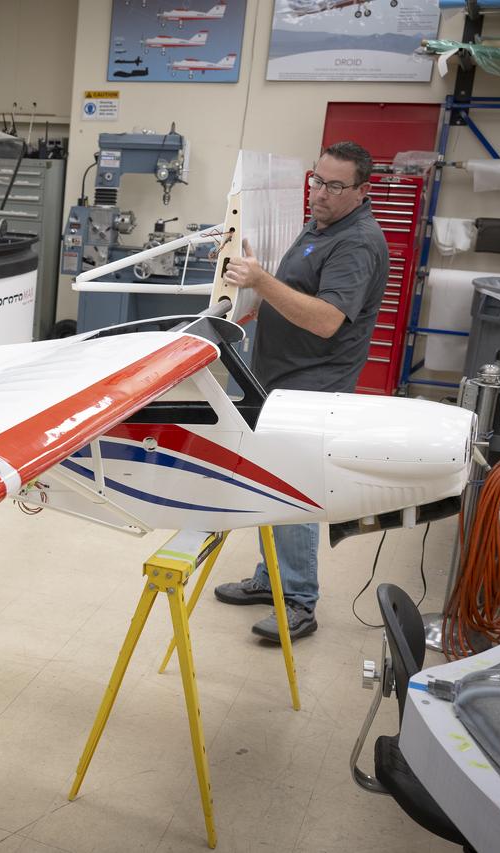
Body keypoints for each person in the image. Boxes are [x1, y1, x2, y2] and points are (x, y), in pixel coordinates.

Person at [213, 140, 388, 642]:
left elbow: (328, 320)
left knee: (291, 488)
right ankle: (271, 580)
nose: (321, 193)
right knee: (269, 481)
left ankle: (298, 601)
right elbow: (291, 284)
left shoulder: (356, 243)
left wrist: (262, 282)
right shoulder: (322, 225)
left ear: (362, 191)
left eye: (335, 186)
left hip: (313, 383)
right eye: (318, 180)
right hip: (277, 374)